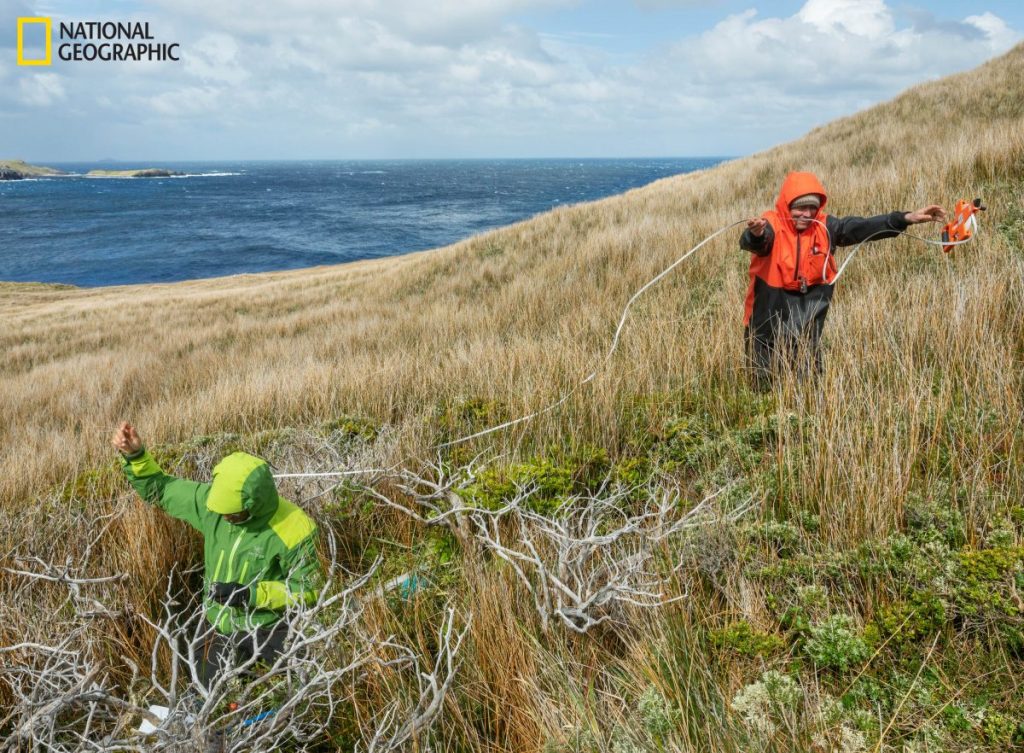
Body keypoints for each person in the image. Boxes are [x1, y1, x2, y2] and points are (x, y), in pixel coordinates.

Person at [111, 422, 324, 687]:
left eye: (233, 515)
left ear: (254, 506)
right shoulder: (213, 504)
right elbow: (161, 489)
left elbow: (309, 589)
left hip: (268, 629)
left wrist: (251, 595)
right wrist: (136, 456)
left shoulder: (296, 528)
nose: (224, 518)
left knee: (284, 693)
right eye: (221, 512)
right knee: (209, 695)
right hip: (215, 624)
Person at [741, 171, 946, 385]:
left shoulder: (825, 226)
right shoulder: (770, 225)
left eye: (812, 207)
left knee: (808, 386)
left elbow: (861, 227)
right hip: (765, 327)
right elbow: (755, 242)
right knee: (761, 386)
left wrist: (905, 218)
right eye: (800, 207)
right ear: (787, 205)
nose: (807, 214)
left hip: (806, 327)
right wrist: (756, 234)